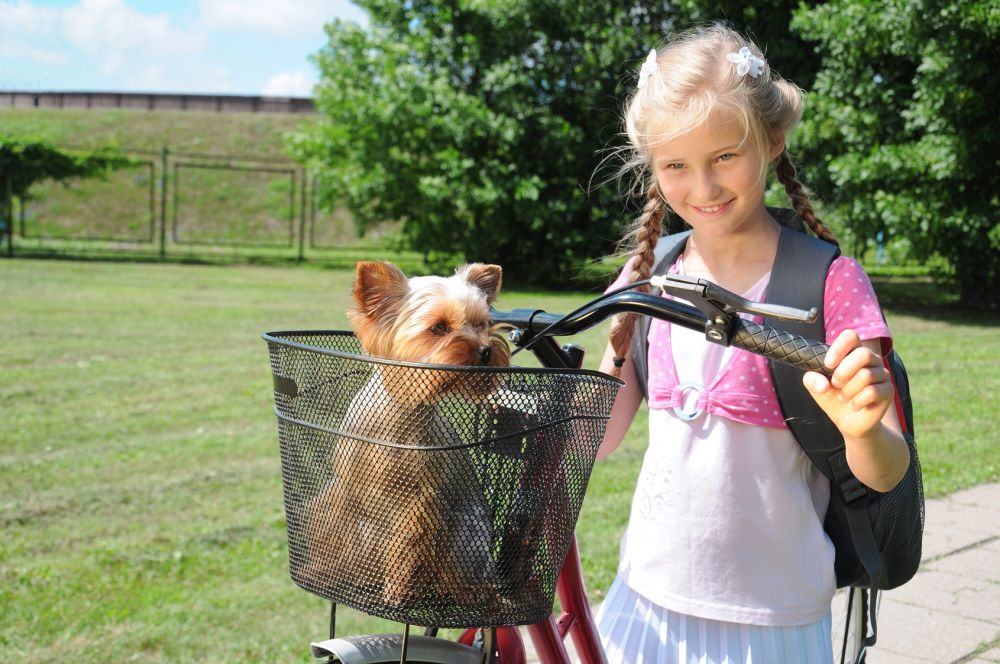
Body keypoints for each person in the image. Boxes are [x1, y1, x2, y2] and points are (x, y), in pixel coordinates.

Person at [593, 25, 911, 663]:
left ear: (771, 142)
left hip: (773, 618)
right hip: (643, 598)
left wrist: (863, 430)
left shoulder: (828, 281)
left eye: (724, 158)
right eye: (676, 166)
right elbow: (598, 434)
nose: (702, 189)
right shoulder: (650, 277)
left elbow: (885, 472)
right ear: (652, 166)